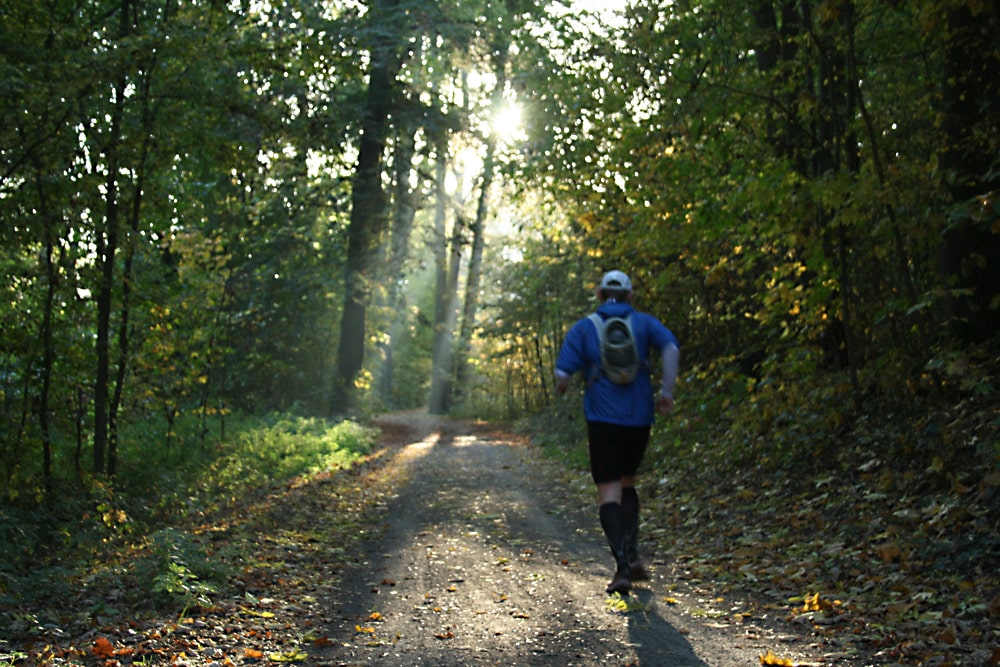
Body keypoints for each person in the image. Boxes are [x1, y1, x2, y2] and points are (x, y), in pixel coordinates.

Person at [555, 270, 679, 595]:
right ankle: (634, 554)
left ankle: (622, 568)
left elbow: (562, 373)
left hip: (602, 420)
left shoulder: (584, 327)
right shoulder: (644, 323)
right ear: (630, 295)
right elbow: (671, 349)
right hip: (639, 419)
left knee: (608, 492)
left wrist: (563, 385)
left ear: (599, 295)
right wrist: (666, 391)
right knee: (627, 483)